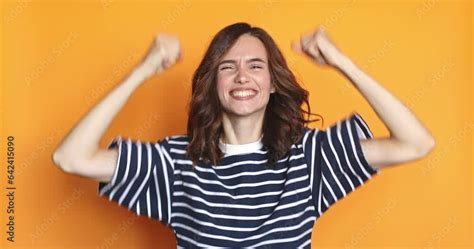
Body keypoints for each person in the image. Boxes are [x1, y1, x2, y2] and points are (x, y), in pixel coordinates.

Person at [52, 22, 435, 248]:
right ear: (212, 84)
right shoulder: (176, 164)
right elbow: (71, 157)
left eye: (255, 66)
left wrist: (341, 62)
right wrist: (142, 70)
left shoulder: (308, 158)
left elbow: (416, 142)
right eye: (227, 67)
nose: (241, 77)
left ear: (272, 83)